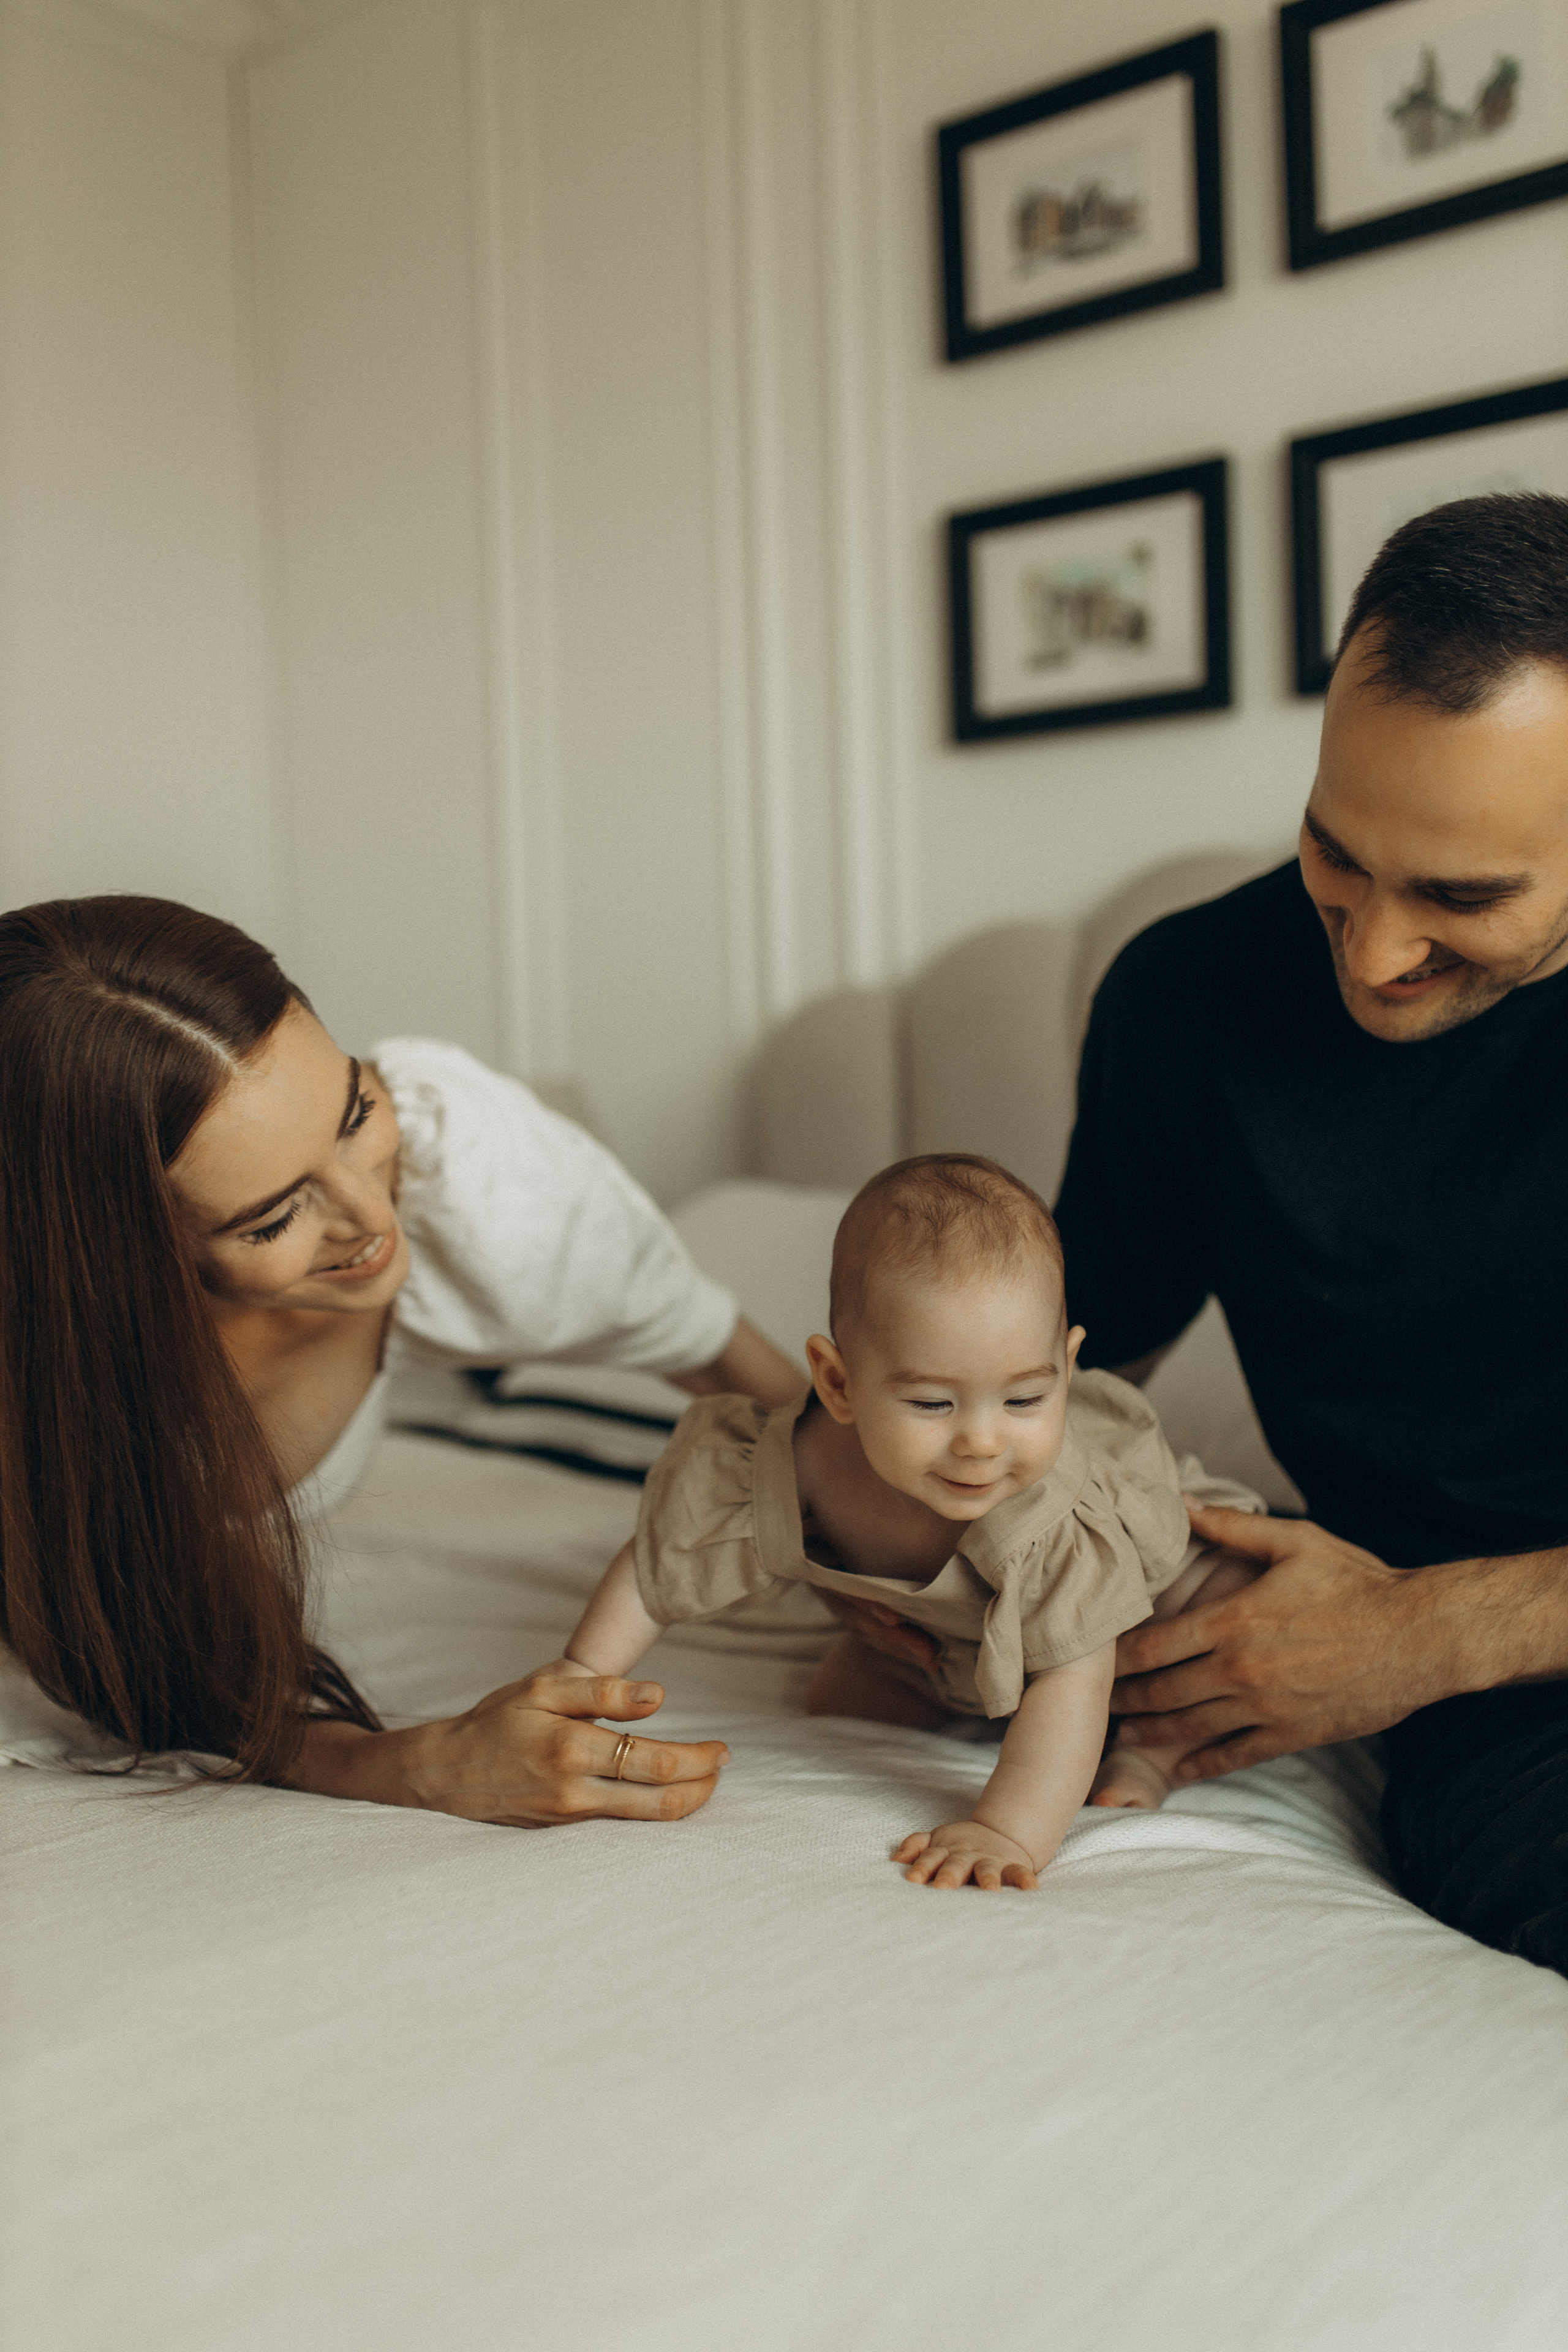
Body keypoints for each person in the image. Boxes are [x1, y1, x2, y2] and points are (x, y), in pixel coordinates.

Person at [1044, 490, 1568, 1972]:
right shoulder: (1187, 1001)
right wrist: (892, 1510)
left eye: (1459, 897)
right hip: (1516, 1730)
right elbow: (1046, 1358)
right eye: (1333, 855)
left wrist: (1419, 1631)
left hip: (1459, 1642)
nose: (1376, 952)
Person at [0, 895, 803, 1822]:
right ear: (113, 1255)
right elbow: (140, 1673)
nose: (375, 1219)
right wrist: (416, 1764)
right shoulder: (51, 1376)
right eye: (273, 1216)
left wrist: (885, 1564)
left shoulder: (469, 1173)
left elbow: (730, 1361)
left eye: (352, 1113)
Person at [548, 1155, 1263, 1888]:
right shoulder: (791, 1465)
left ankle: (1150, 1750)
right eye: (932, 1404)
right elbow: (658, 1565)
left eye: (1023, 1400)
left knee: (1211, 1645)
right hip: (958, 1640)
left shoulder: (1051, 1516)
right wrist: (576, 1683)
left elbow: (1073, 1676)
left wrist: (1003, 1830)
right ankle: (987, 1703)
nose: (982, 1443)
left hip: (1155, 1621)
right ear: (837, 1382)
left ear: (1067, 1367)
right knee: (839, 1704)